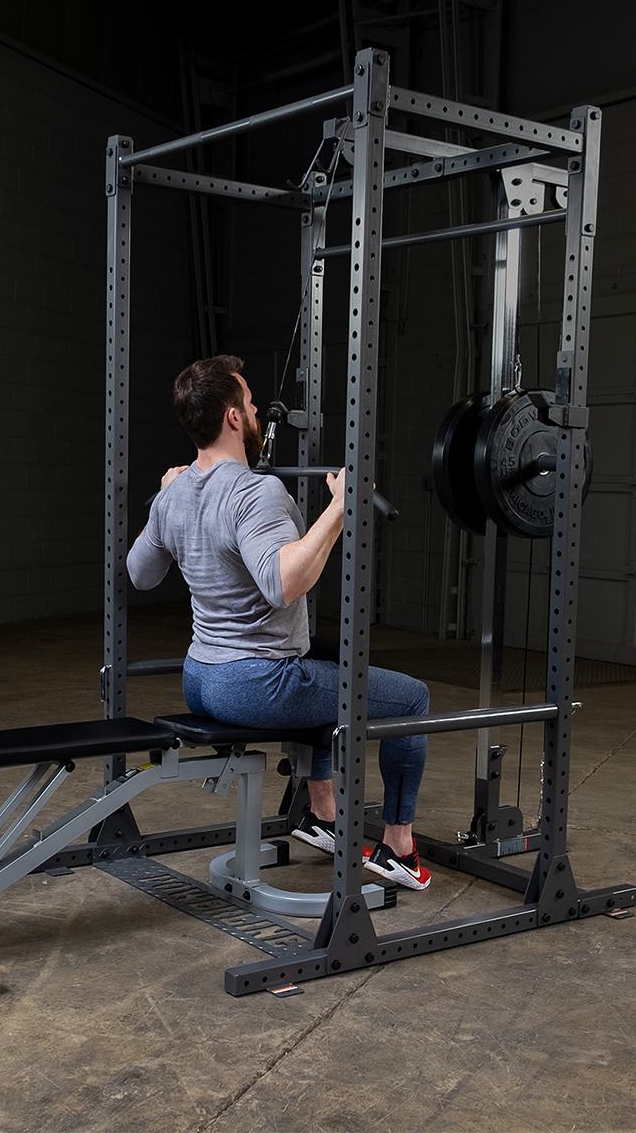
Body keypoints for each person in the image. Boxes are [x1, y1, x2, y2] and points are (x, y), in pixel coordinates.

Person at [126, 355, 432, 889]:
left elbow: (140, 573)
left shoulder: (174, 491)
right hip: (255, 684)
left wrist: (164, 499)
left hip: (200, 677)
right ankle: (399, 849)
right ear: (233, 418)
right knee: (411, 699)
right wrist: (341, 508)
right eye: (249, 403)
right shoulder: (255, 492)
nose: (255, 411)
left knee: (322, 664)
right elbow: (284, 583)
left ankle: (323, 816)